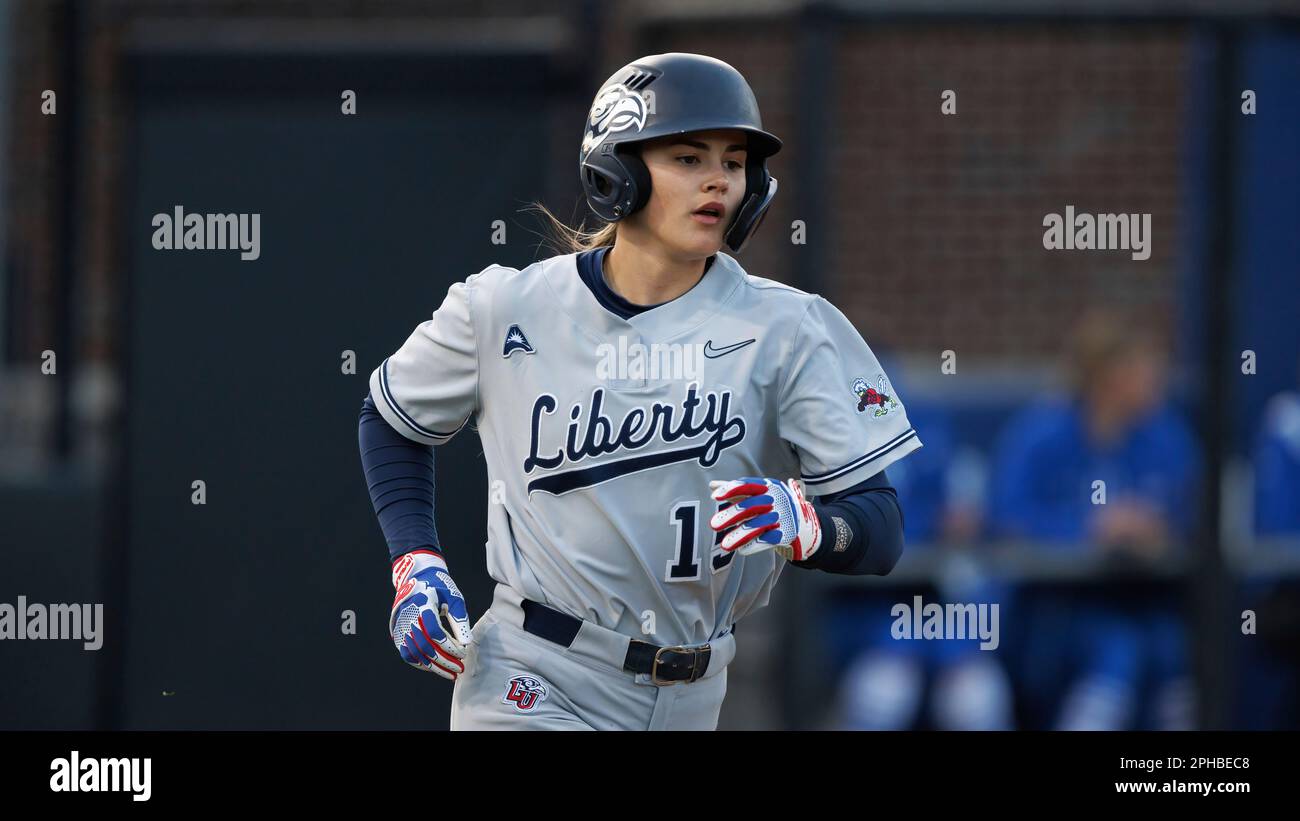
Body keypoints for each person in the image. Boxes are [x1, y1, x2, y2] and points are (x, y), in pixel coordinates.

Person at [357, 53, 923, 730]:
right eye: (688, 158)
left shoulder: (789, 330)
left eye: (735, 162)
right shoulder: (507, 307)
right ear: (616, 169)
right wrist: (414, 561)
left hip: (694, 688)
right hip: (534, 673)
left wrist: (815, 529)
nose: (718, 180)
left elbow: (880, 526)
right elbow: (392, 418)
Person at [990, 311, 1200, 729]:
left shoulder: (1166, 435)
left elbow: (1196, 515)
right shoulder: (1041, 433)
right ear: (1108, 376)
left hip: (1143, 600)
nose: (1154, 379)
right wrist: (1087, 528)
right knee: (1115, 652)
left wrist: (1158, 529)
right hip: (1054, 607)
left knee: (1174, 654)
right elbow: (1003, 520)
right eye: (1141, 369)